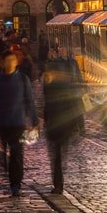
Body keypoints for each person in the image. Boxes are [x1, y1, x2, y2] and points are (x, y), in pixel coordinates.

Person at [0, 48, 38, 196]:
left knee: (17, 154)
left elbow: (29, 101)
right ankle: (8, 176)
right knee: (2, 155)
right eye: (7, 61)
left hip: (18, 123)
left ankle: (16, 184)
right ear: (1, 63)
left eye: (12, 61)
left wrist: (34, 120)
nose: (10, 63)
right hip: (3, 123)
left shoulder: (22, 79)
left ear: (16, 63)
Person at [42, 58, 85, 194]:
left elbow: (46, 107)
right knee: (59, 156)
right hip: (62, 126)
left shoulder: (48, 87)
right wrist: (80, 124)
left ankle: (58, 184)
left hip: (57, 126)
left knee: (57, 156)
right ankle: (58, 183)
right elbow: (77, 106)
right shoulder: (64, 86)